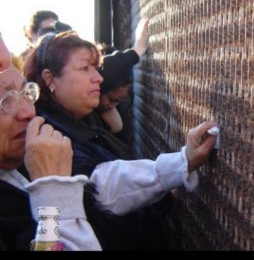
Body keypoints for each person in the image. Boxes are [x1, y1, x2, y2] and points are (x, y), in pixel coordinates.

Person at [14, 30, 218, 250]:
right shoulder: (47, 135)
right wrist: (178, 165)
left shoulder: (77, 118)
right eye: (84, 68)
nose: (99, 78)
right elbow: (100, 188)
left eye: (96, 68)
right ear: (49, 78)